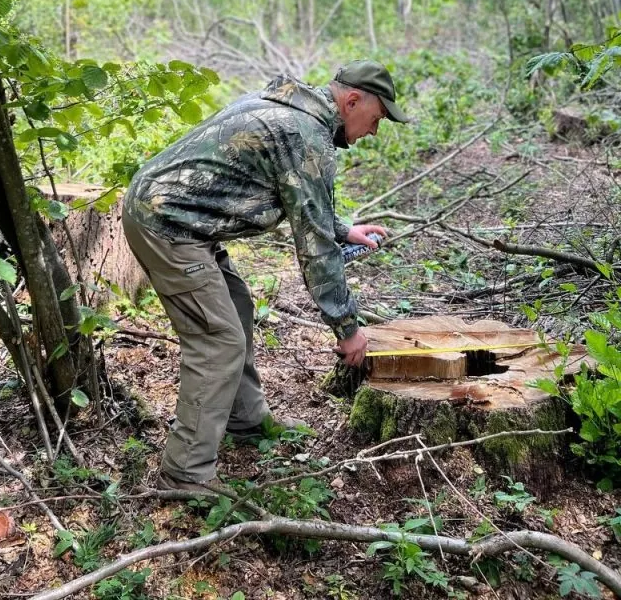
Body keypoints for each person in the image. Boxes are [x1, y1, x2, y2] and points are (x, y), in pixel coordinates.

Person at [122, 60, 409, 490]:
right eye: (377, 118)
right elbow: (316, 251)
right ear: (352, 101)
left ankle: (244, 420)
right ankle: (185, 472)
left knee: (236, 306)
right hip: (167, 224)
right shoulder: (305, 135)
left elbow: (303, 202)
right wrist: (347, 329)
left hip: (181, 217)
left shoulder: (290, 113)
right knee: (218, 340)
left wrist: (342, 229)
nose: (374, 131)